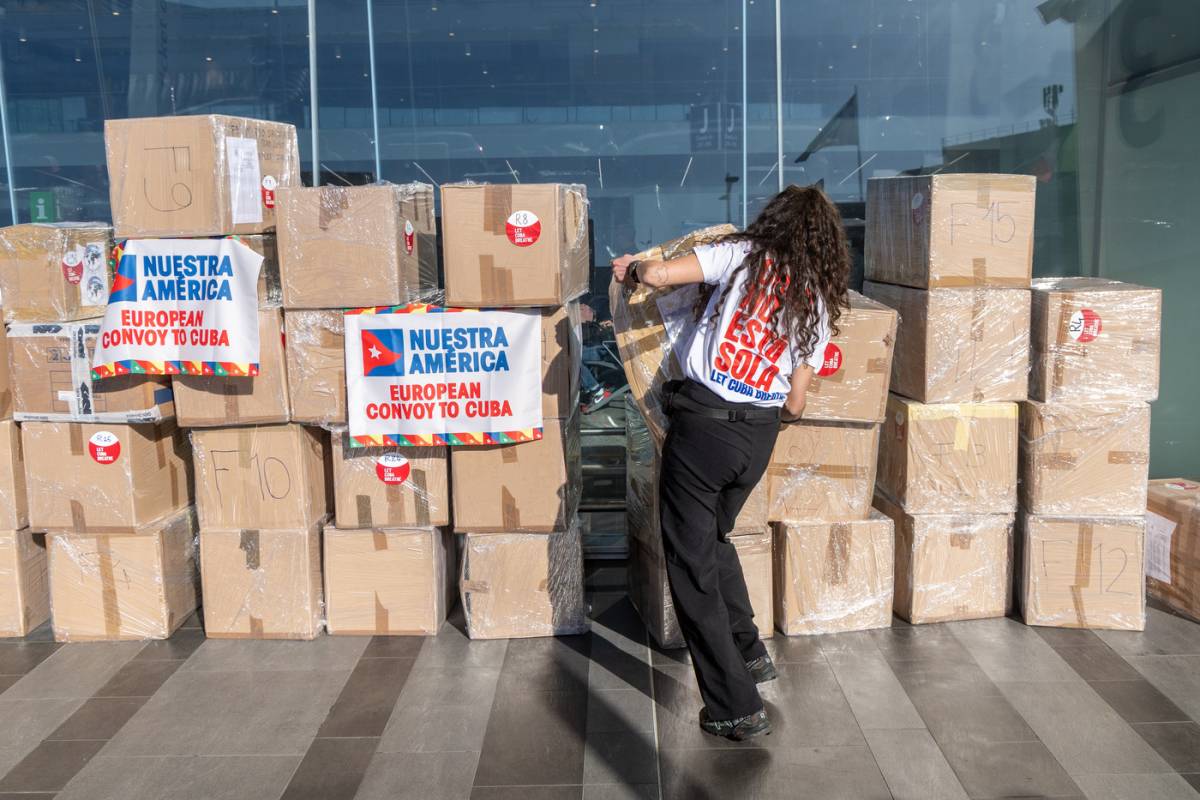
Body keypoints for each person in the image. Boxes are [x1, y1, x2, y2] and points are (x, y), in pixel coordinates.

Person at [611, 185, 850, 740]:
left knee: (690, 566)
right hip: (757, 439)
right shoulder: (815, 299)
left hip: (704, 431)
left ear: (775, 221)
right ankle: (750, 651)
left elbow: (660, 276)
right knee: (712, 540)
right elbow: (796, 403)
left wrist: (635, 267)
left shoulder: (742, 254)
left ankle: (734, 706)